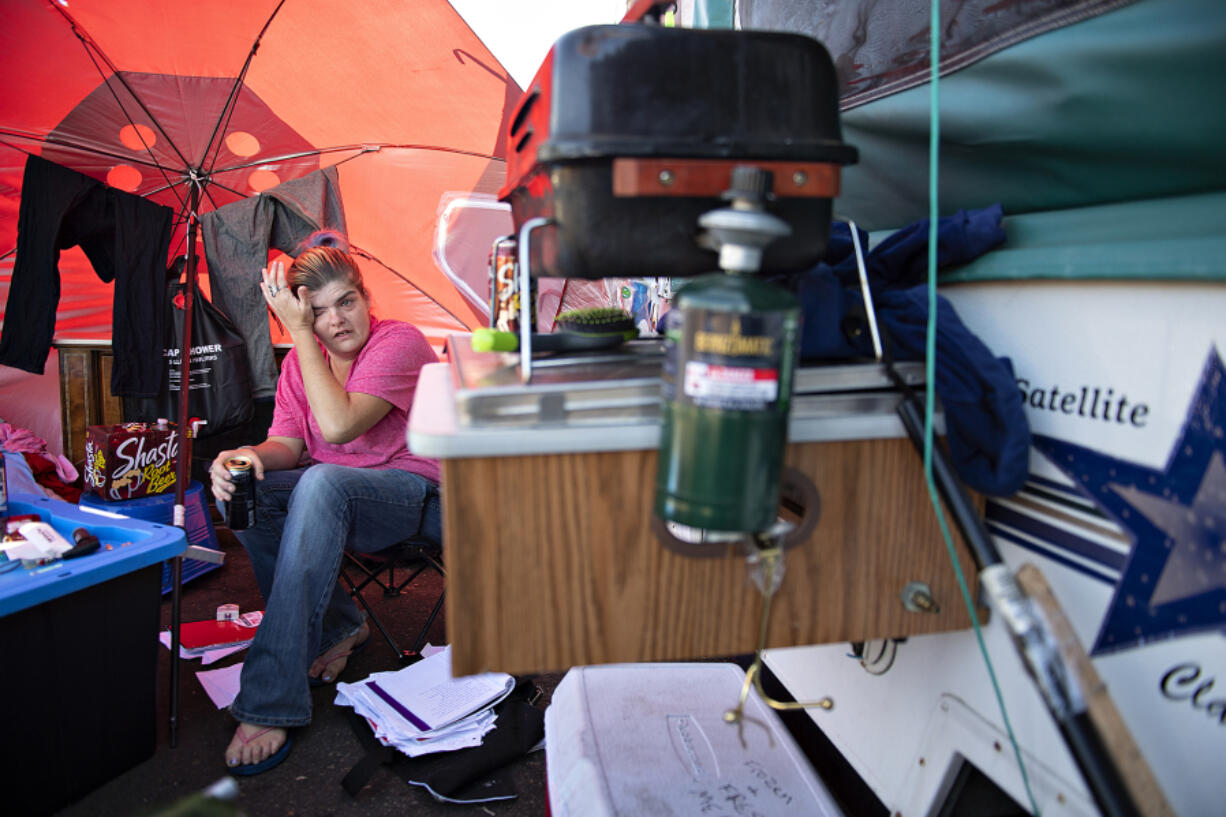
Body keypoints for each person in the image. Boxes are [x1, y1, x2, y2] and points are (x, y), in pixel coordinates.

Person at [208, 231, 440, 775]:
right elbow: (288, 447)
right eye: (318, 311)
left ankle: (270, 698)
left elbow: (336, 427)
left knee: (323, 481)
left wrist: (299, 333)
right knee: (248, 488)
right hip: (335, 502)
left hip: (421, 499)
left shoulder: (398, 342)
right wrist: (244, 454)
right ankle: (338, 627)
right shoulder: (298, 369)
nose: (336, 320)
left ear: (365, 298)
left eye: (346, 302)